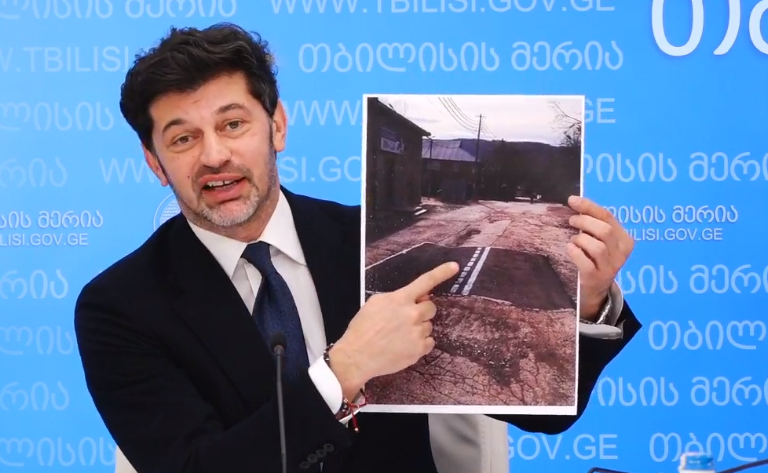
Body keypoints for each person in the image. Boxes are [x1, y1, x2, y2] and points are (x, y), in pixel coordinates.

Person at [73, 23, 642, 473]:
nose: (214, 155)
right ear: (155, 163)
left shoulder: (363, 244)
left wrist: (587, 300)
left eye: (233, 124)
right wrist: (342, 372)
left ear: (277, 127)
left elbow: (545, 417)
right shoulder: (120, 306)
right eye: (183, 138)